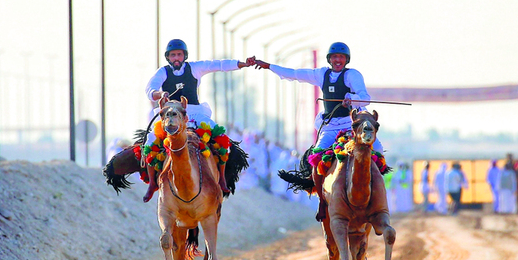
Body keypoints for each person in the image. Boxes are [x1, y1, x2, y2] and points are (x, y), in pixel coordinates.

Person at [142, 38, 253, 202]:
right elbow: (150, 88)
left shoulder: (194, 68)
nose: (176, 58)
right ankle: (152, 183)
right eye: (173, 55)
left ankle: (222, 179)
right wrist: (160, 94)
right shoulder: (163, 72)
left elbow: (218, 65)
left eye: (179, 54)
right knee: (150, 140)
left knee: (221, 137)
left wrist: (241, 64)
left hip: (194, 113)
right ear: (168, 57)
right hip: (171, 114)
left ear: (184, 56)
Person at [252, 42, 383, 154]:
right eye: (334, 57)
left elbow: (365, 98)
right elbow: (294, 73)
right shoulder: (321, 74)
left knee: (377, 149)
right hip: (330, 127)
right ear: (329, 59)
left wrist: (351, 99)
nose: (338, 60)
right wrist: (269, 66)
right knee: (316, 154)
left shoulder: (352, 75)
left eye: (341, 57)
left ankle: (379, 177)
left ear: (346, 60)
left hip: (352, 126)